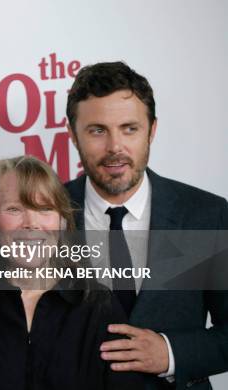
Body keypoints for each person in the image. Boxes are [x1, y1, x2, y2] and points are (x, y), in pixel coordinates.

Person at [65, 61, 228, 389]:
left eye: (129, 128)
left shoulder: (207, 215)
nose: (115, 147)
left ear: (151, 130)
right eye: (97, 130)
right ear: (72, 134)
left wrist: (171, 353)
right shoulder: (44, 216)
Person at [0, 156, 143, 389]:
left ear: (62, 222)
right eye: (14, 209)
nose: (31, 223)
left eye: (44, 209)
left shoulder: (98, 304)